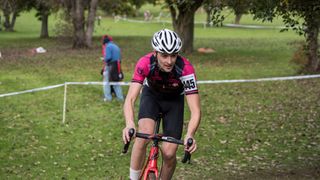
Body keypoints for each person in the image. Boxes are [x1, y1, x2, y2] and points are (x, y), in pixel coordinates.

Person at [122, 29, 201, 180]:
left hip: (174, 101)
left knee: (169, 152)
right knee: (143, 135)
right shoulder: (145, 63)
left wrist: (190, 134)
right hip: (152, 96)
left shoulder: (186, 68)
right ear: (155, 52)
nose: (169, 61)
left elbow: (196, 110)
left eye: (173, 55)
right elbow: (130, 99)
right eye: (164, 55)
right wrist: (129, 123)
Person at [101, 35, 124, 101]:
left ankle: (108, 98)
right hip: (117, 66)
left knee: (106, 82)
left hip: (110, 66)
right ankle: (120, 98)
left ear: (105, 43)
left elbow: (108, 57)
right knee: (116, 82)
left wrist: (104, 59)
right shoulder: (116, 46)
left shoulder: (108, 46)